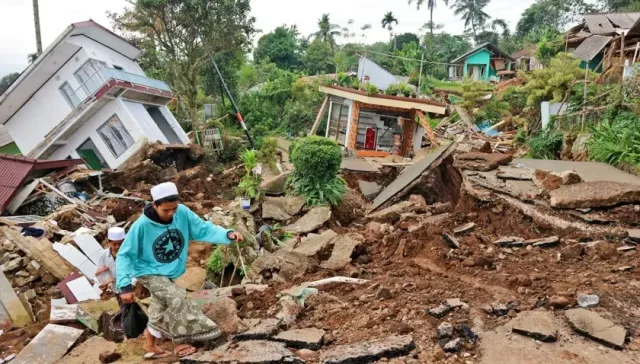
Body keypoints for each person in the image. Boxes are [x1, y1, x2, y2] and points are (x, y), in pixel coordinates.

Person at [116, 182, 243, 359]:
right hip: (148, 271)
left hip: (169, 271)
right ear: (155, 205)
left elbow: (203, 228)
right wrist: (124, 285)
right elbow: (125, 254)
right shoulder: (141, 226)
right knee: (177, 298)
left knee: (161, 305)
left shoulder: (182, 212)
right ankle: (182, 340)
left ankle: (149, 343)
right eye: (166, 210)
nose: (171, 214)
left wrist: (226, 234)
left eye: (174, 209)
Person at [96, 227, 126, 292]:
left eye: (120, 244)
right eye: (114, 244)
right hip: (113, 289)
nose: (117, 247)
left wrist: (114, 279)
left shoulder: (129, 254)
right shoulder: (103, 255)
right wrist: (106, 282)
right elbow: (101, 271)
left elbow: (134, 274)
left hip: (128, 289)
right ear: (109, 243)